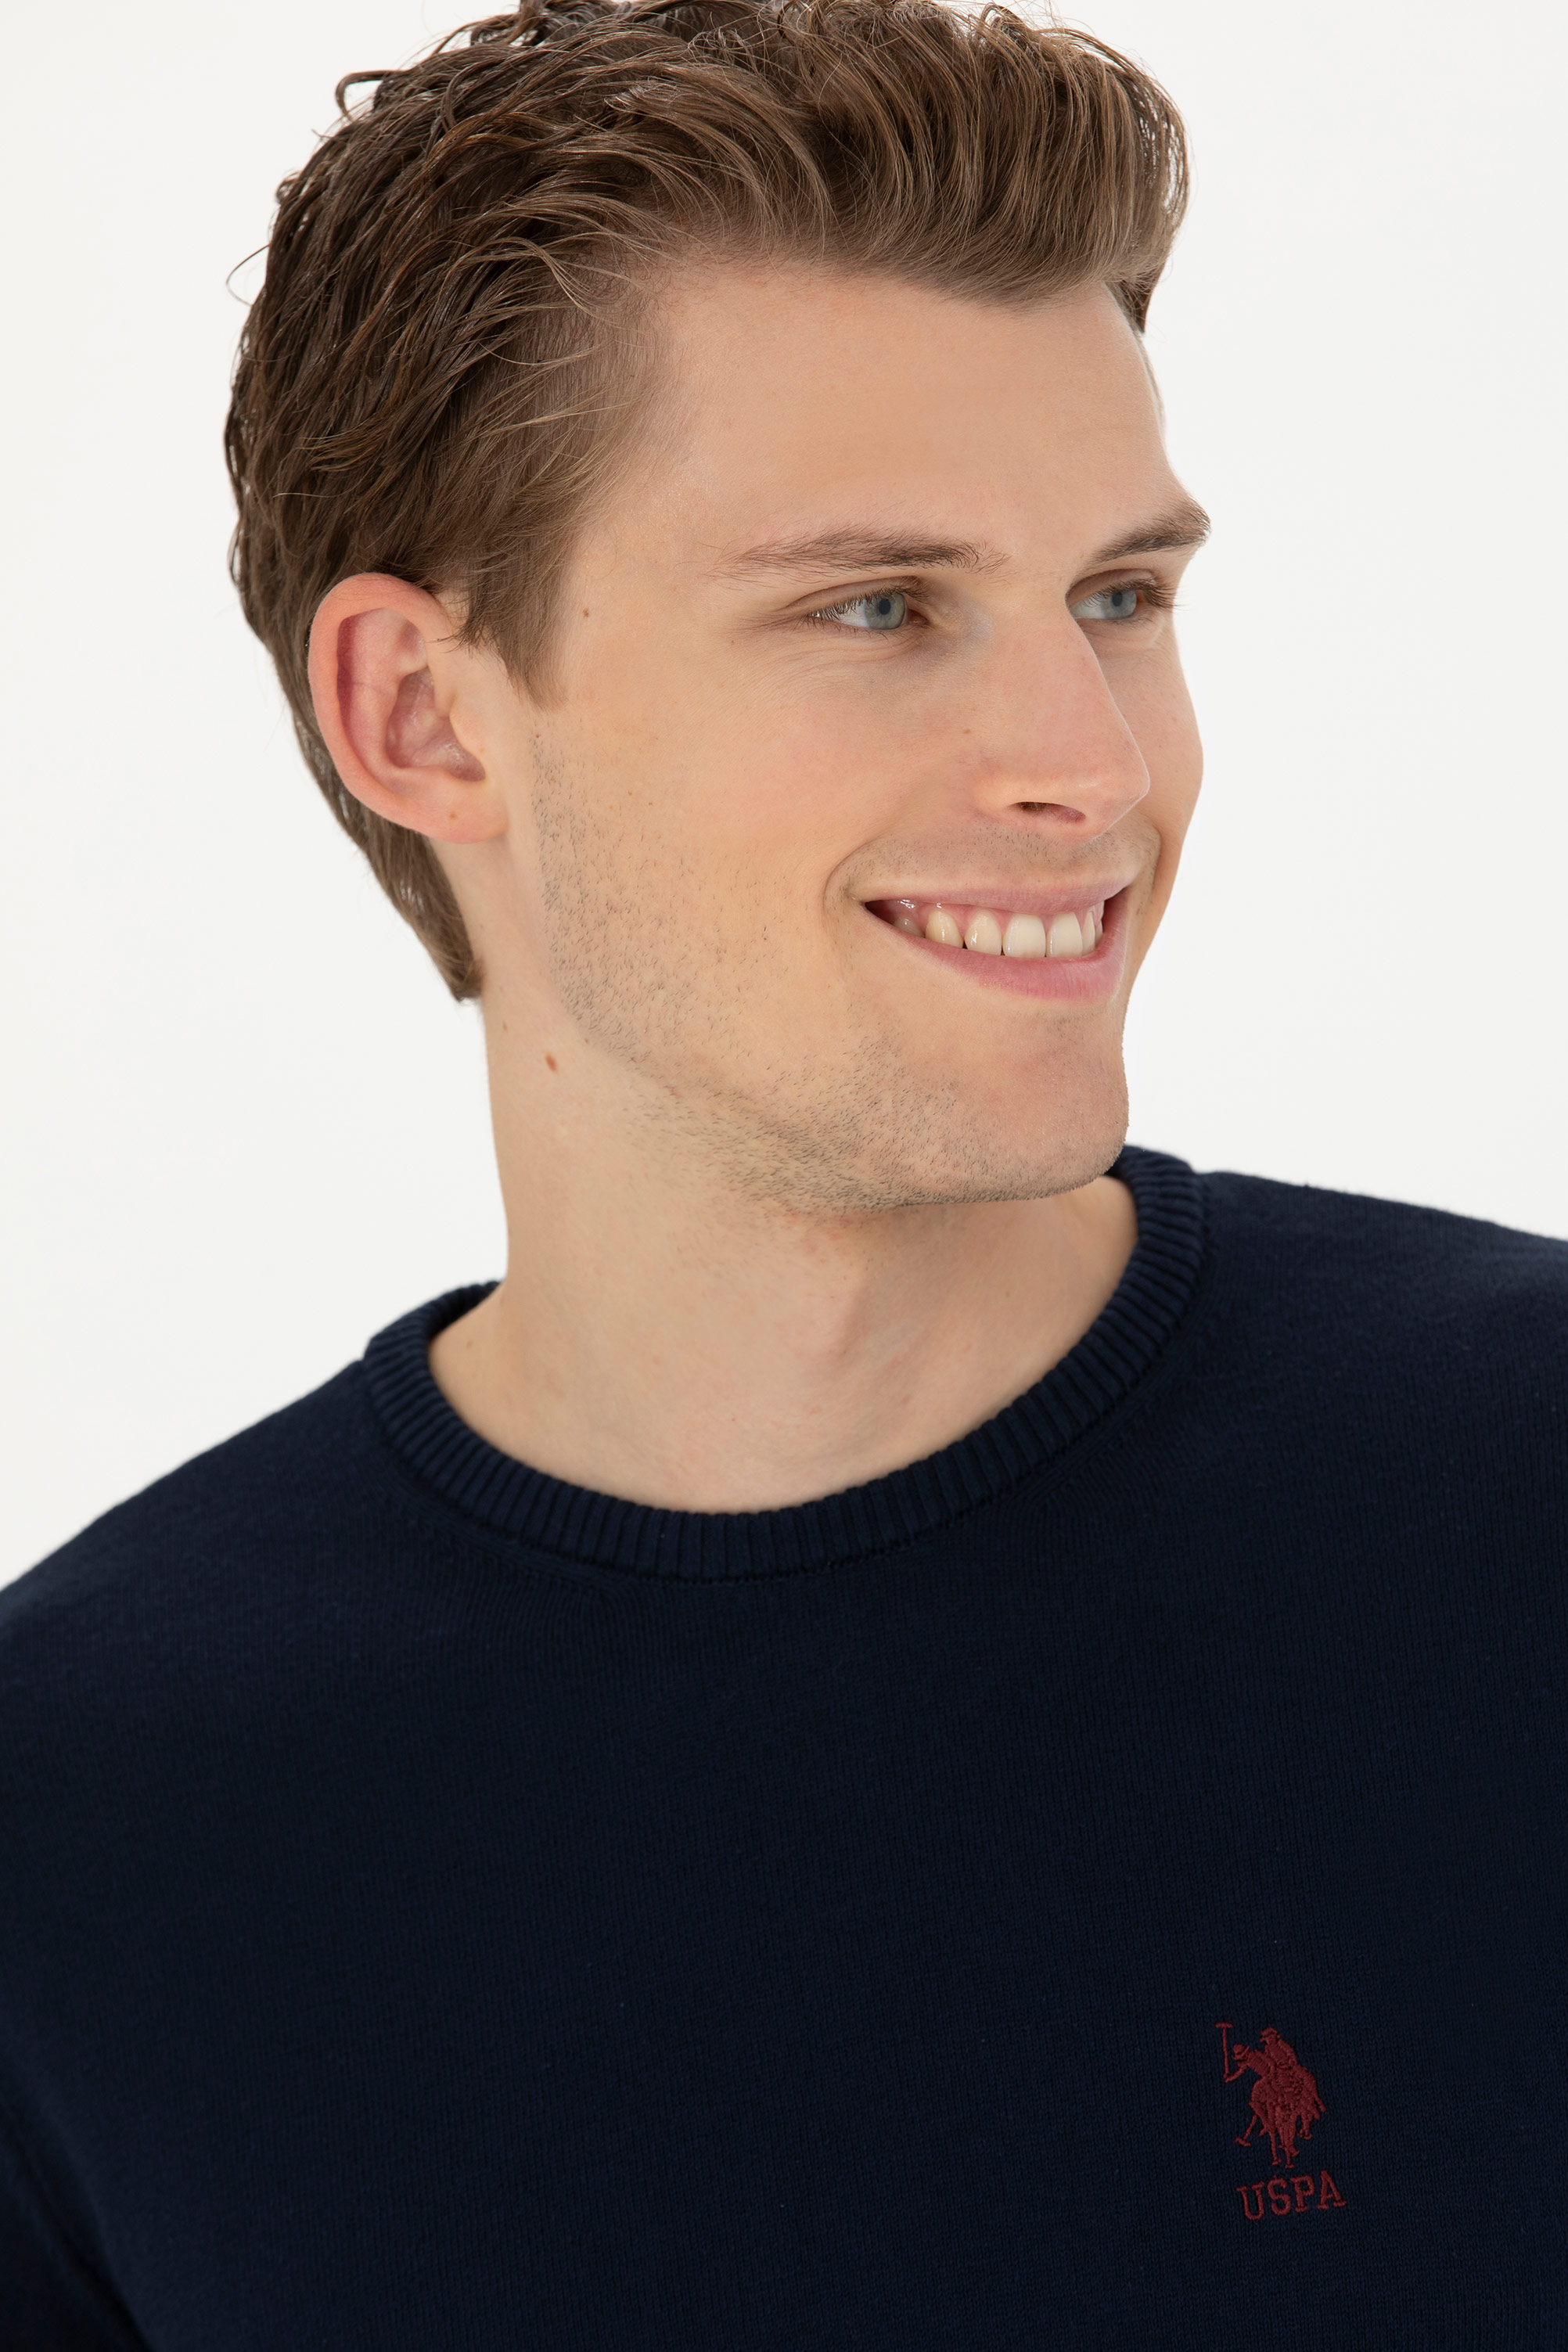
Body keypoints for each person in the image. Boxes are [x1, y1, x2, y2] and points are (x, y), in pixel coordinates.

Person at [2, 1, 1563, 2342]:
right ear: (422, 715)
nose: (1089, 764)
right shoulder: (82, 1828)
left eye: (1118, 597)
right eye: (877, 608)